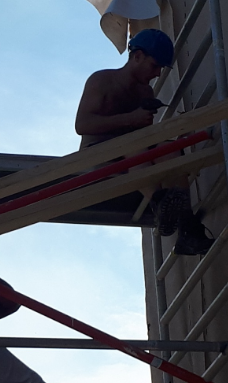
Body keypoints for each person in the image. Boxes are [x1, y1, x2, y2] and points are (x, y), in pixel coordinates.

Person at [74, 27, 213, 255]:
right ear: (137, 56)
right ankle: (160, 203)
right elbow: (82, 125)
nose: (157, 74)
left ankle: (187, 229)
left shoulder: (145, 93)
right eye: (154, 66)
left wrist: (176, 136)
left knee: (169, 149)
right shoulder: (101, 81)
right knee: (136, 147)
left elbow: (147, 139)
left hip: (132, 156)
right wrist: (131, 119)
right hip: (97, 155)